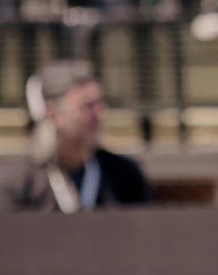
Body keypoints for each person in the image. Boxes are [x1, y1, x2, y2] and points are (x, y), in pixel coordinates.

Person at [1, 60, 154, 212]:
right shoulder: (20, 183)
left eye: (100, 104)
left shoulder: (124, 174)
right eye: (88, 106)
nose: (99, 114)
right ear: (52, 112)